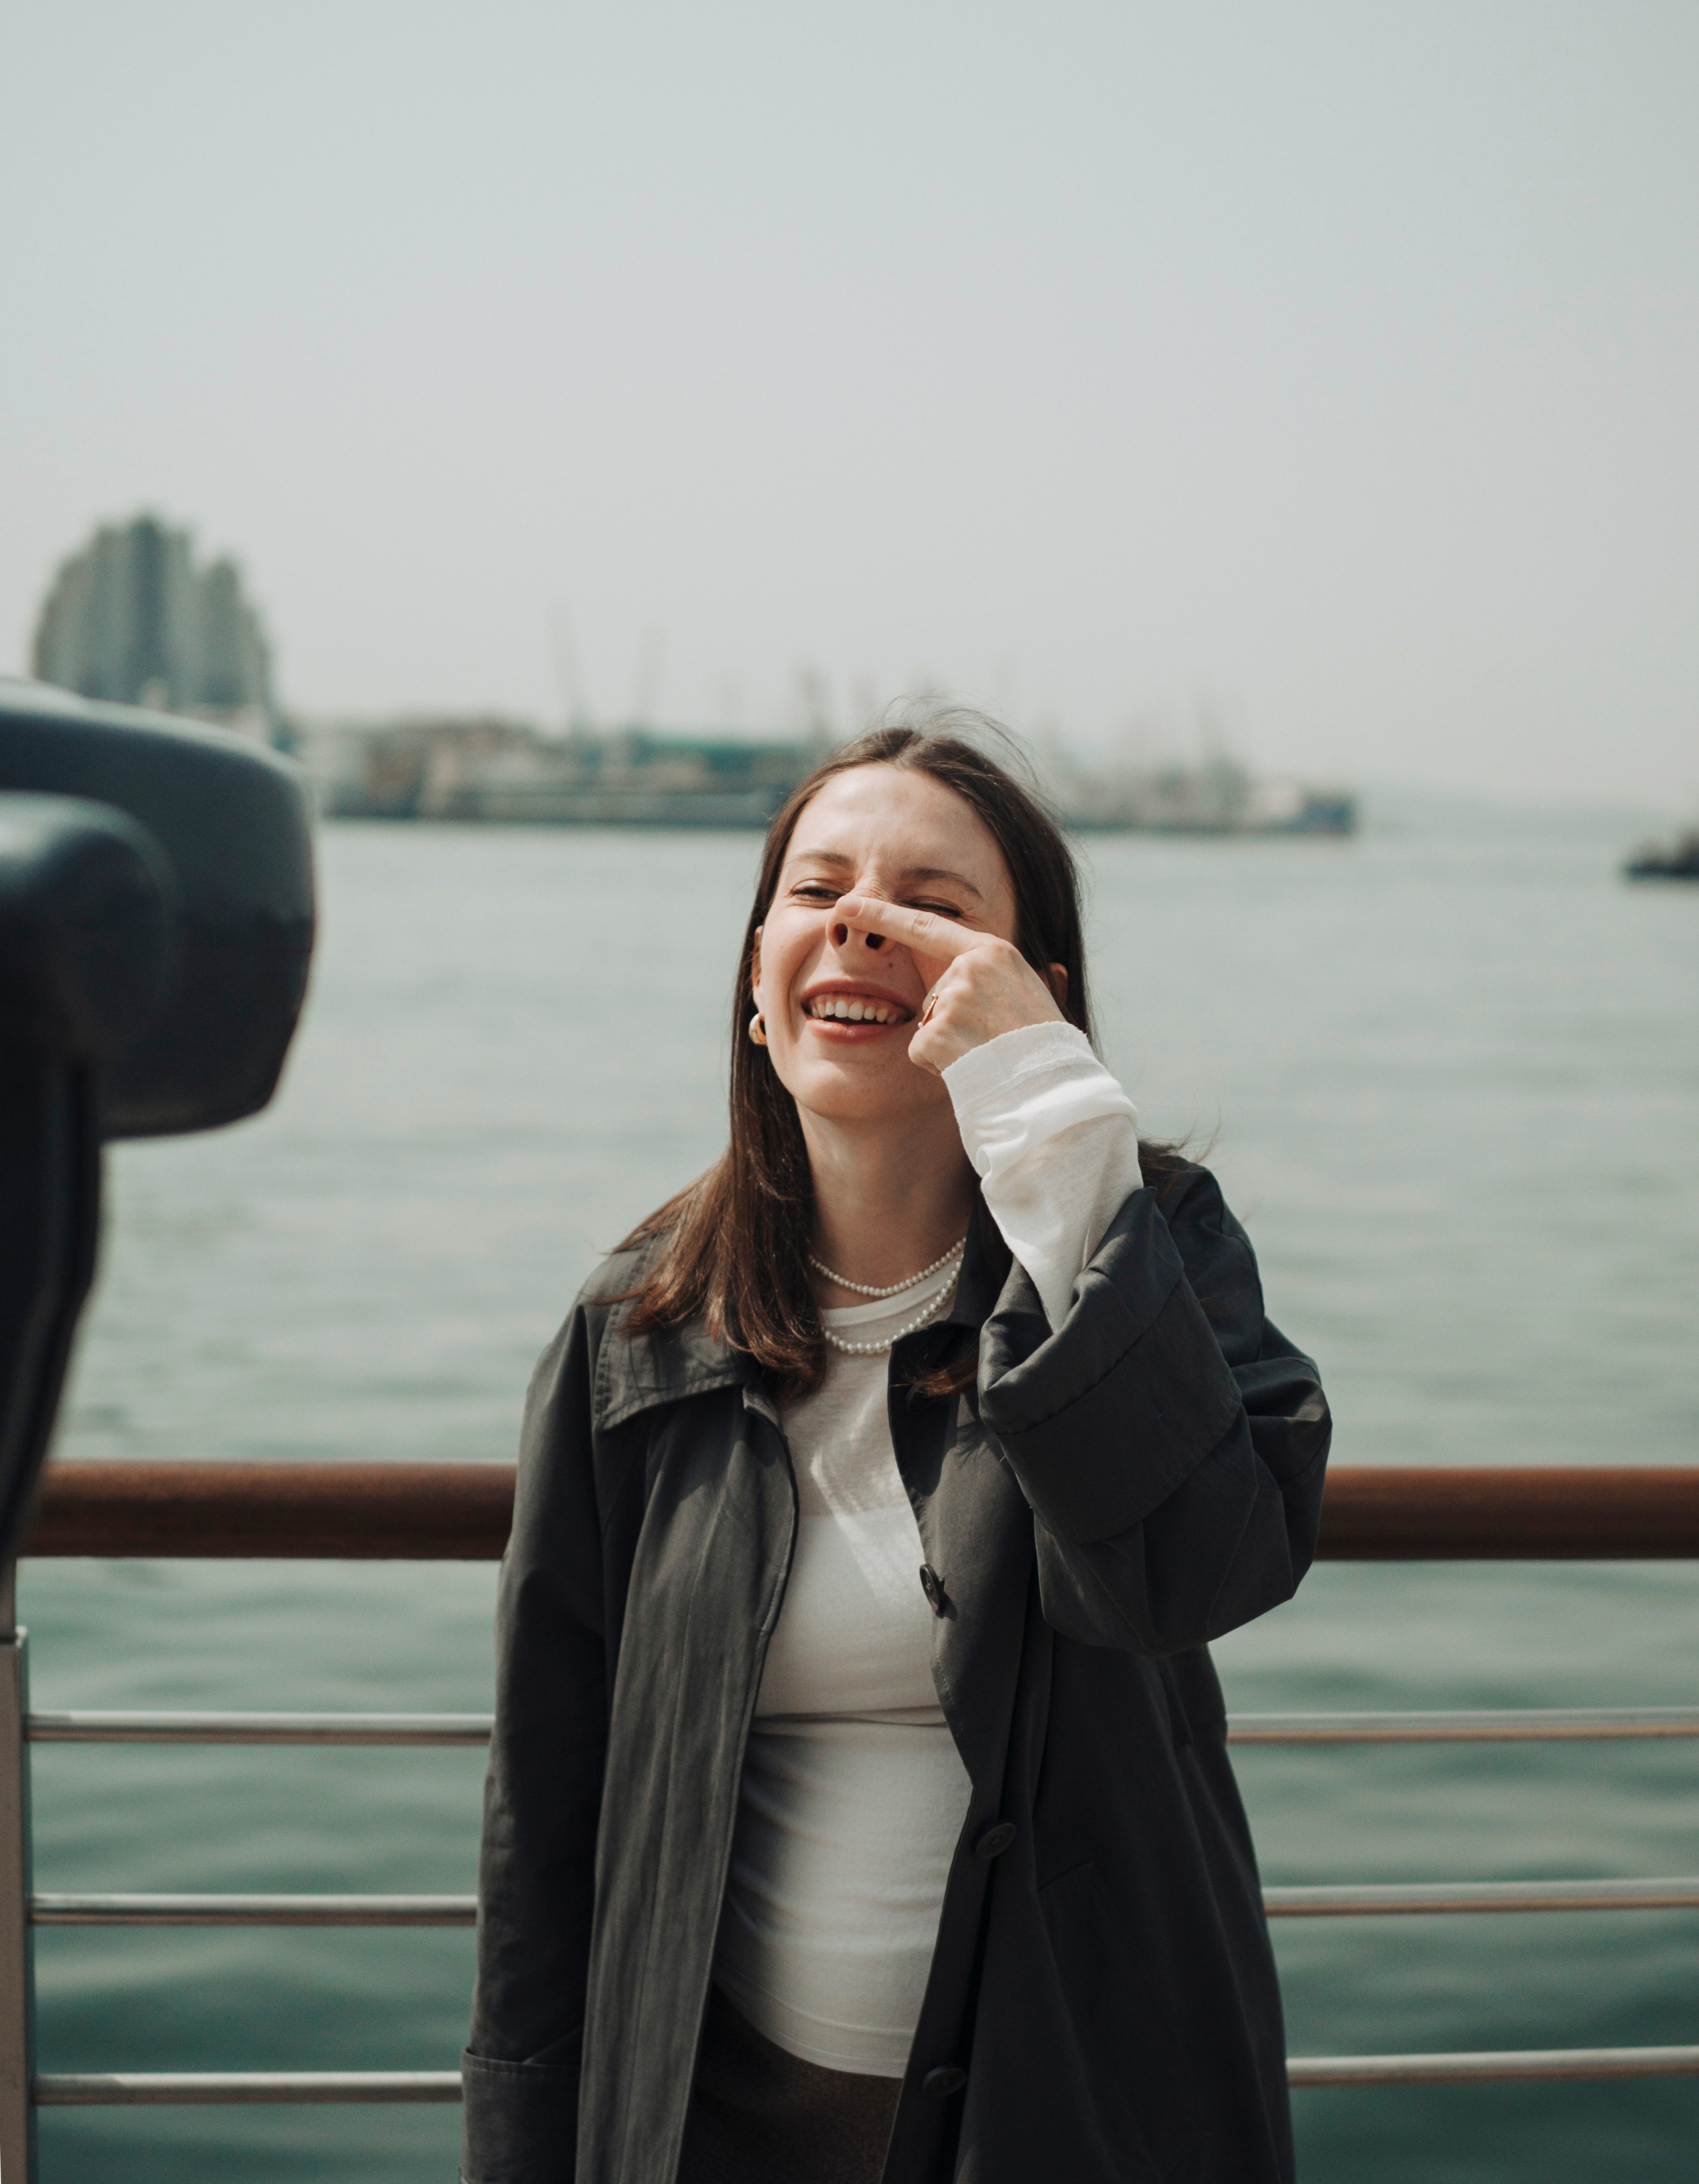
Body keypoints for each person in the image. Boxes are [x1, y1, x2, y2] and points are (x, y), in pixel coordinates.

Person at [461, 722, 1331, 2184]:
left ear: (1035, 996)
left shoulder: (1146, 1245)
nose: (858, 920)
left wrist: (1056, 1151)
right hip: (708, 2121)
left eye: (930, 900)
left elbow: (1195, 1567)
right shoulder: (637, 1325)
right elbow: (547, 1804)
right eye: (814, 891)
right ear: (755, 977)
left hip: (1078, 2110)